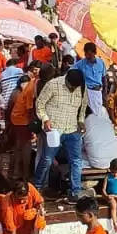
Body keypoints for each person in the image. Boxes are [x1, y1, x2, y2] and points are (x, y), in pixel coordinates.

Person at [34, 69, 88, 199]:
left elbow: (83, 106)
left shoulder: (82, 87)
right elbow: (39, 104)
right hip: (54, 130)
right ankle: (37, 187)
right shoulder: (53, 85)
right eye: (71, 86)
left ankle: (75, 191)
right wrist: (45, 119)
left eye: (75, 87)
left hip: (73, 129)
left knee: (76, 161)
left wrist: (81, 121)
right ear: (66, 79)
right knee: (47, 160)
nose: (73, 89)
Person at [73, 43, 107, 118]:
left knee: (97, 116)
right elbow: (70, 71)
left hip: (98, 93)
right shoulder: (81, 63)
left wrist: (105, 94)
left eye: (89, 54)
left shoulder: (101, 63)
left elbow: (104, 79)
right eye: (85, 53)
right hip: (86, 92)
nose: (87, 56)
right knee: (87, 115)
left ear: (94, 53)